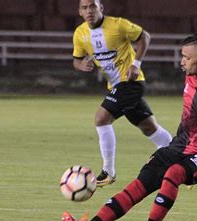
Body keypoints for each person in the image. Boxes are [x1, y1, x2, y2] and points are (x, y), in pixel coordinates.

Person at [61, 33, 197, 221]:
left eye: (186, 57)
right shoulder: (191, 76)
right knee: (141, 183)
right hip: (179, 145)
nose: (182, 62)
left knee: (173, 173)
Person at [72, 0, 172, 187]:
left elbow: (145, 37)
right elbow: (76, 60)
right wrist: (82, 65)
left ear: (101, 8)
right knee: (149, 128)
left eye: (92, 6)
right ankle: (180, 157)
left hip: (131, 83)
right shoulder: (80, 34)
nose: (89, 11)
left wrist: (136, 64)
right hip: (115, 87)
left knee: (101, 119)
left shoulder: (117, 25)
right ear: (80, 12)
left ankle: (108, 172)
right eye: (84, 8)